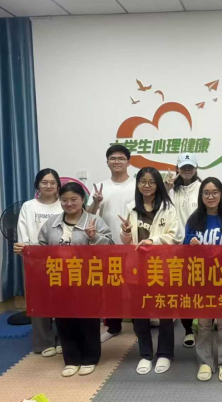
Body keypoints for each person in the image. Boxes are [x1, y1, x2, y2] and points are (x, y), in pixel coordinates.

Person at [38, 182, 113, 377]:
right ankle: (71, 359)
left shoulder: (95, 220)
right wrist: (27, 251)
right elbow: (41, 248)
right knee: (64, 320)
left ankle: (90, 358)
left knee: (87, 320)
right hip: (60, 280)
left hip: (88, 280)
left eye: (74, 199)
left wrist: (94, 237)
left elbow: (110, 246)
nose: (69, 203)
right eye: (64, 200)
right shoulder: (51, 223)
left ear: (82, 200)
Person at [119, 167, 182, 375]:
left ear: (158, 184)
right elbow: (126, 242)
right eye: (142, 182)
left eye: (151, 182)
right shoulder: (131, 207)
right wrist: (125, 233)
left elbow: (175, 236)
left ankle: (165, 353)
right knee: (140, 314)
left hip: (161, 267)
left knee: (165, 313)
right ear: (137, 184)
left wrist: (152, 241)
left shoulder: (168, 208)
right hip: (137, 268)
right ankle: (145, 354)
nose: (146, 186)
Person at [184, 177, 222, 382]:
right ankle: (205, 362)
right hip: (201, 279)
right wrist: (190, 241)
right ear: (201, 196)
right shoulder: (194, 219)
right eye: (206, 193)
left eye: (215, 192)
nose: (211, 196)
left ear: (221, 195)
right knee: (204, 323)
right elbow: (185, 244)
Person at [87, 145, 136, 344]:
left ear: (129, 162)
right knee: (112, 288)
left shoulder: (137, 184)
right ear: (107, 162)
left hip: (133, 243)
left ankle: (141, 325)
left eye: (121, 158)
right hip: (108, 245)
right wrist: (96, 202)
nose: (117, 161)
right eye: (113, 158)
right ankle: (113, 327)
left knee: (137, 287)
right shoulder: (100, 186)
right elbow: (89, 215)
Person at [14, 169, 63, 358]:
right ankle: (44, 342)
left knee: (63, 301)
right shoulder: (28, 206)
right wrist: (28, 251)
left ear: (58, 186)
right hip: (35, 261)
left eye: (52, 182)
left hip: (62, 261)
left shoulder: (64, 204)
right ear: (37, 185)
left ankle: (63, 339)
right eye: (44, 182)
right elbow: (23, 234)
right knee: (39, 302)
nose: (48, 186)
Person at [166, 153, 201, 348]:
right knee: (183, 291)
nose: (187, 170)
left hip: (200, 246)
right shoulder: (171, 190)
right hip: (177, 247)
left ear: (196, 168)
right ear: (177, 168)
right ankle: (188, 329)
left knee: (203, 288)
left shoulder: (203, 188)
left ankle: (204, 325)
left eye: (190, 167)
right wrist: (167, 188)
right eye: (183, 167)